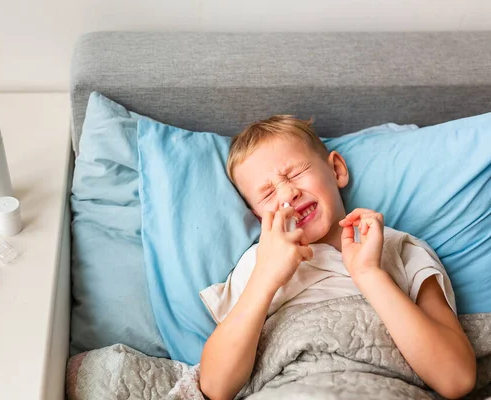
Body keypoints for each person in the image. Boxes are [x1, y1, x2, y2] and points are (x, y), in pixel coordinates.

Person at [198, 115, 476, 400]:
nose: (287, 194)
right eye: (268, 193)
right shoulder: (257, 265)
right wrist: (265, 279)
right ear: (260, 217)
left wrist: (369, 274)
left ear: (337, 169)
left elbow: (456, 379)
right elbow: (216, 387)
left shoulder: (401, 250)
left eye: (294, 174)